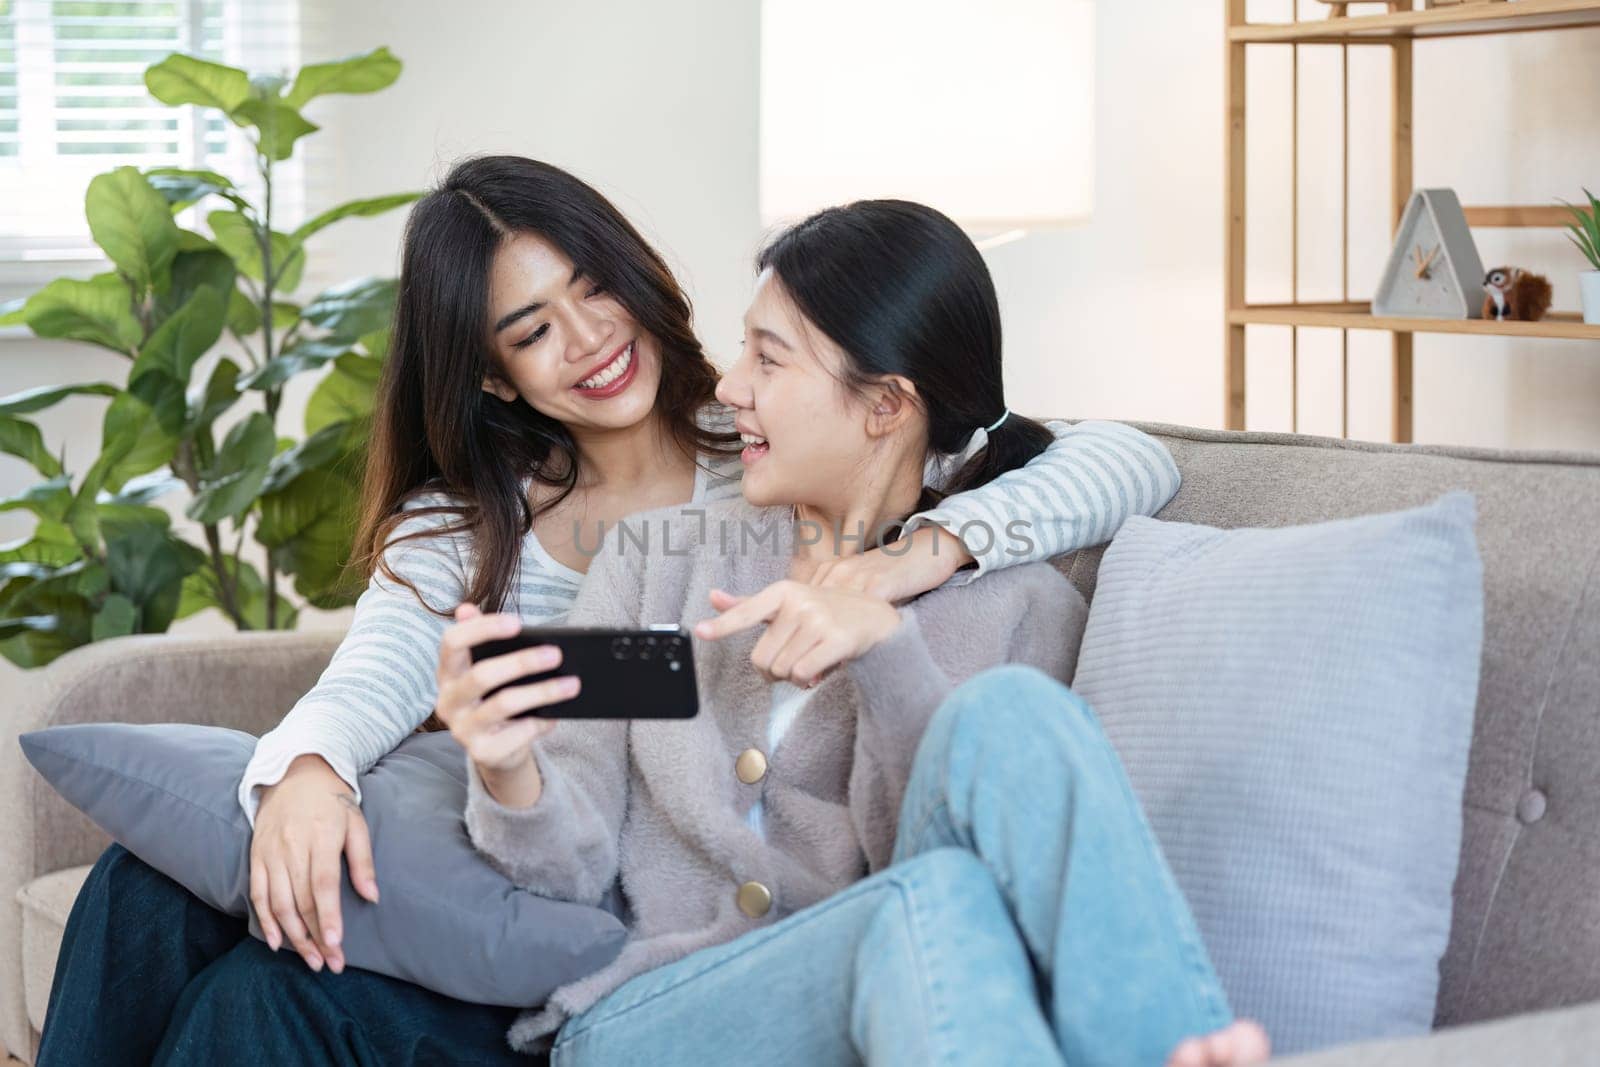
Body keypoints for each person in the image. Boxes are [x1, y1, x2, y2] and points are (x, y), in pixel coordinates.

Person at [37, 160, 1182, 1065]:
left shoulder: (796, 468)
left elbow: (1117, 458)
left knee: (980, 790)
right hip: (541, 887)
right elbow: (400, 686)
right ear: (493, 376)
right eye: (531, 329)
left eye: (593, 288)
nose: (587, 338)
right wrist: (310, 768)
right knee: (153, 889)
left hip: (687, 939)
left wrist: (894, 574)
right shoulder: (597, 547)